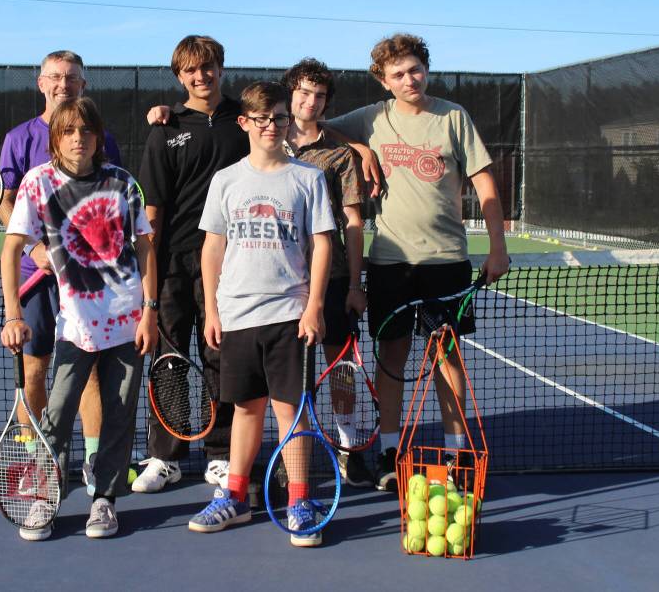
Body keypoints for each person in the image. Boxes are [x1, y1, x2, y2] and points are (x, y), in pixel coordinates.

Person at [322, 33, 510, 491]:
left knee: (447, 358)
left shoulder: (453, 116)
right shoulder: (371, 119)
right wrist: (361, 148)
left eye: (415, 70)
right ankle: (389, 451)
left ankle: (454, 452)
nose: (410, 80)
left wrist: (498, 247)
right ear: (384, 82)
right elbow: (316, 126)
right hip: (390, 262)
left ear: (426, 69)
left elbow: (484, 184)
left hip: (446, 261)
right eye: (398, 74)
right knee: (392, 357)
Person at [0, 97, 157, 541]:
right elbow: (11, 249)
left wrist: (150, 310)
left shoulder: (123, 183)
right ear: (56, 138)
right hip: (75, 325)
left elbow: (145, 247)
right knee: (57, 414)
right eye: (68, 131)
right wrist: (12, 314)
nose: (78, 139)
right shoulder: (38, 182)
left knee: (120, 416)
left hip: (127, 319)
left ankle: (104, 501)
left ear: (98, 138)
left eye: (86, 131)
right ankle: (44, 499)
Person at [188, 80, 334, 547]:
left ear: (288, 122)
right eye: (262, 118)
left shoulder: (307, 178)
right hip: (236, 316)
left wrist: (313, 306)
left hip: (290, 314)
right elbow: (212, 248)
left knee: (291, 412)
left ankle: (298, 501)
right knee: (245, 409)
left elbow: (323, 244)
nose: (272, 126)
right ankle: (235, 497)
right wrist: (211, 308)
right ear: (245, 123)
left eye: (279, 118)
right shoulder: (226, 181)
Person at [0, 50, 123, 496]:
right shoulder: (18, 137)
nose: (63, 83)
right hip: (37, 276)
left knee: (88, 370)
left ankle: (91, 458)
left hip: (89, 284)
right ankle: (38, 456)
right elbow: (5, 199)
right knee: (37, 368)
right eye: (55, 77)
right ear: (41, 83)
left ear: (83, 85)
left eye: (71, 77)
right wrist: (38, 245)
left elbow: (110, 202)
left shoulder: (99, 139)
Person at [133, 35, 247, 493]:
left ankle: (221, 453)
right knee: (169, 358)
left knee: (221, 357)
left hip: (232, 262)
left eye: (208, 67)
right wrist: (150, 282)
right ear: (180, 76)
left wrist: (355, 147)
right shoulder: (165, 127)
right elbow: (152, 213)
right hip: (175, 262)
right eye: (191, 71)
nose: (201, 76)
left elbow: (302, 124)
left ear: (221, 67)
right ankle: (166, 456)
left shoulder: (246, 120)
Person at [280, 58, 374, 487]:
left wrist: (356, 284)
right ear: (290, 94)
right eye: (303, 92)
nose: (310, 101)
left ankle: (347, 447)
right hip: (280, 282)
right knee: (287, 376)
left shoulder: (340, 155)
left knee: (340, 368)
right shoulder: (265, 141)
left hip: (334, 279)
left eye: (319, 96)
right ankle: (290, 454)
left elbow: (353, 223)